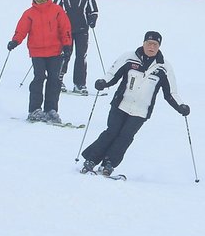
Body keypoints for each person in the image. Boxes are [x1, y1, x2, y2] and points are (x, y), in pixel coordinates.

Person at [80, 30, 190, 176]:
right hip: (121, 104)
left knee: (125, 137)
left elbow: (170, 93)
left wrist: (180, 106)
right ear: (143, 43)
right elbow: (113, 75)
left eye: (155, 45)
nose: (151, 47)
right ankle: (91, 160)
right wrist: (103, 82)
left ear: (159, 47)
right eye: (149, 43)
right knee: (111, 132)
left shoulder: (164, 67)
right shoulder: (129, 58)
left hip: (141, 111)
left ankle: (109, 163)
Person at [7, 0, 72, 124]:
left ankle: (51, 110)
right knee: (39, 78)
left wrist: (67, 45)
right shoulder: (29, 13)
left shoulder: (57, 10)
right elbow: (21, 30)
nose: (41, 1)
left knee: (54, 80)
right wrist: (15, 41)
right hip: (37, 52)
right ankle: (35, 109)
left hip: (55, 51)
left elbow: (65, 28)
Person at [53, 0, 100, 95]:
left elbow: (94, 10)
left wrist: (92, 19)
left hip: (82, 30)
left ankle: (79, 84)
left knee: (81, 56)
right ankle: (59, 80)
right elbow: (54, 10)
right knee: (65, 54)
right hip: (66, 30)